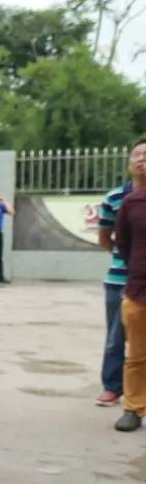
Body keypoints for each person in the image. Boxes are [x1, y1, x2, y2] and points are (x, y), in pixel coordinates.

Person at [97, 140, 146, 407]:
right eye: (136, 155)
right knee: (116, 337)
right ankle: (113, 386)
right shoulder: (117, 197)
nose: (141, 160)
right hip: (120, 279)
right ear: (129, 163)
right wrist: (125, 258)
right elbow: (106, 236)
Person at [112, 138, 146, 432]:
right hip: (138, 292)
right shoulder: (131, 203)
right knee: (136, 355)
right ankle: (133, 409)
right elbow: (122, 243)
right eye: (138, 154)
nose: (143, 159)